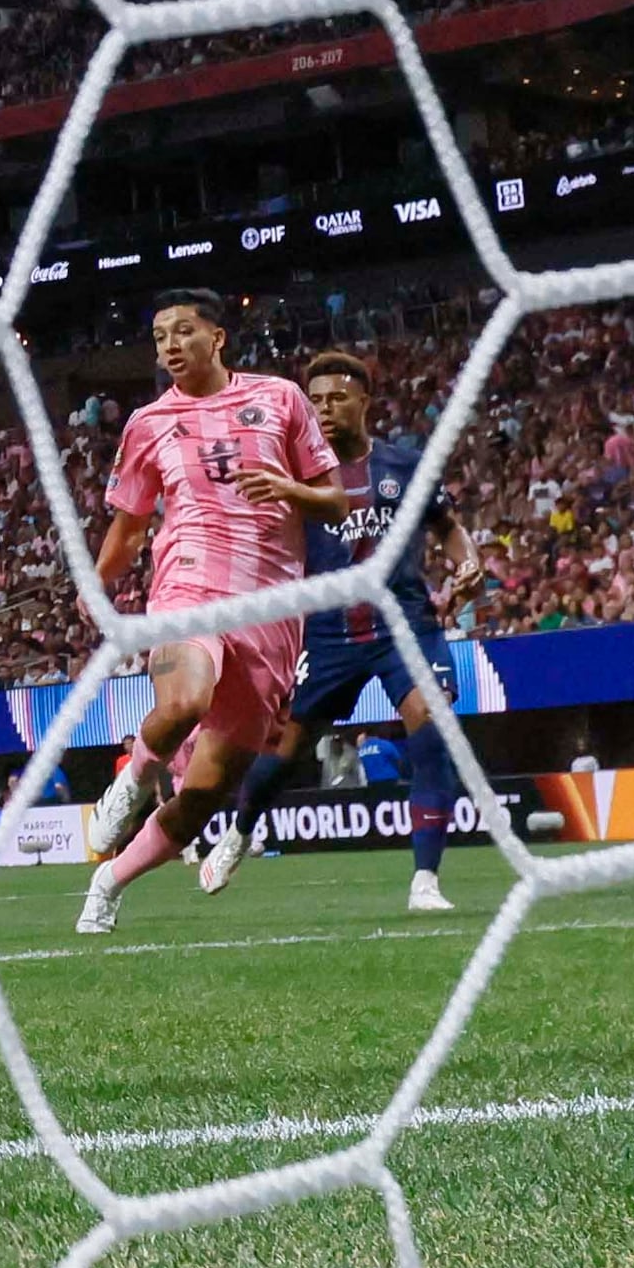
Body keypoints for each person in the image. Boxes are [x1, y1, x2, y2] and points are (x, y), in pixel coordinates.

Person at [78, 291, 344, 937]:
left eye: (183, 331)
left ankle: (108, 883)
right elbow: (130, 527)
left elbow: (334, 501)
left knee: (202, 797)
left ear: (217, 337)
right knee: (186, 699)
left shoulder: (281, 398)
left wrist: (288, 488)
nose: (170, 345)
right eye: (159, 335)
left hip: (271, 607)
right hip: (189, 582)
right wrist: (95, 582)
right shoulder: (148, 424)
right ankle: (133, 781)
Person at [202, 349, 484, 912]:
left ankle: (425, 881)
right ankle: (239, 831)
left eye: (337, 398)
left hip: (404, 623)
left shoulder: (406, 465)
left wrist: (468, 563)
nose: (325, 409)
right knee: (284, 749)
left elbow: (448, 528)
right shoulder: (293, 477)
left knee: (432, 729)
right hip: (326, 632)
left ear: (364, 401)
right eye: (316, 401)